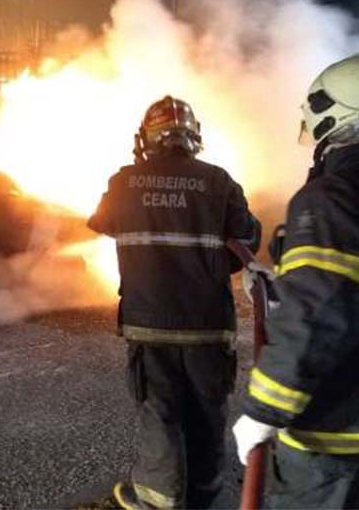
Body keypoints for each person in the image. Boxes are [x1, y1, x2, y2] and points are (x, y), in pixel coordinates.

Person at [233, 50, 359, 509]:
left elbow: (320, 313)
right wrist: (277, 288)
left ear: (331, 119)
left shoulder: (331, 197)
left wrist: (263, 410)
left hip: (332, 434)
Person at [88, 96, 261, 510]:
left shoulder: (123, 182)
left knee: (160, 414)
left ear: (146, 139)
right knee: (208, 415)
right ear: (194, 138)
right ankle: (206, 495)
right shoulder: (219, 181)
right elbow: (248, 241)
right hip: (208, 327)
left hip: (149, 326)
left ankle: (157, 499)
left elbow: (102, 223)